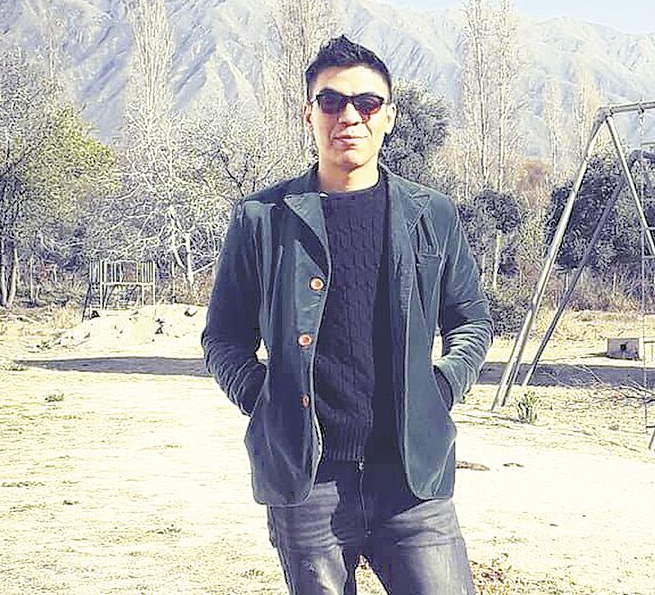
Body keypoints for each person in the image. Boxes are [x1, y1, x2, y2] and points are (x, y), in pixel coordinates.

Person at [201, 35, 492, 595]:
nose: (349, 117)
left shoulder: (431, 214)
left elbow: (471, 320)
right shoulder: (262, 218)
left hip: (412, 479)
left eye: (367, 102)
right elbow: (223, 338)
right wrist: (264, 400)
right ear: (308, 114)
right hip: (307, 480)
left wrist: (442, 387)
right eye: (332, 102)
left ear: (389, 117)